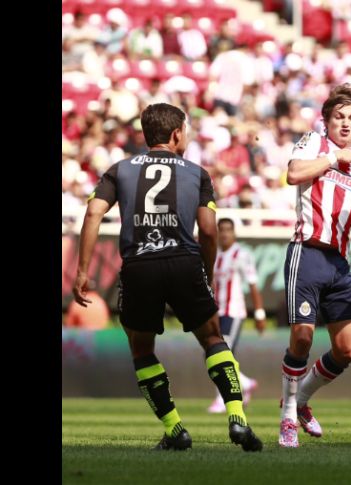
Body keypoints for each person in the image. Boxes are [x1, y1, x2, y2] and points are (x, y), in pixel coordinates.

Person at [72, 103, 262, 452]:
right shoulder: (197, 173)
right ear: (176, 134)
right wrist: (205, 270)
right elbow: (208, 229)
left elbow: (93, 212)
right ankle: (238, 419)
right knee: (212, 337)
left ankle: (175, 429)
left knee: (142, 348)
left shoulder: (120, 169)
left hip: (139, 265)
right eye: (186, 131)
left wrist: (82, 270)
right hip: (183, 261)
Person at [278, 84, 351, 448]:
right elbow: (294, 174)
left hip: (338, 262)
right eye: (339, 117)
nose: (345, 124)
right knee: (302, 335)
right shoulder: (313, 143)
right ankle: (287, 416)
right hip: (307, 251)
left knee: (348, 349)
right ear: (326, 120)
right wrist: (335, 159)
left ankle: (301, 401)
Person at [207, 217, 265, 413]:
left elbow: (253, 284)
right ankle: (245, 383)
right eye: (221, 230)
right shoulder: (214, 255)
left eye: (228, 230)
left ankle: (221, 399)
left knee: (220, 354)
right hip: (217, 312)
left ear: (234, 233)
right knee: (216, 354)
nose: (224, 234)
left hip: (233, 312)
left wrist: (259, 313)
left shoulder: (242, 254)